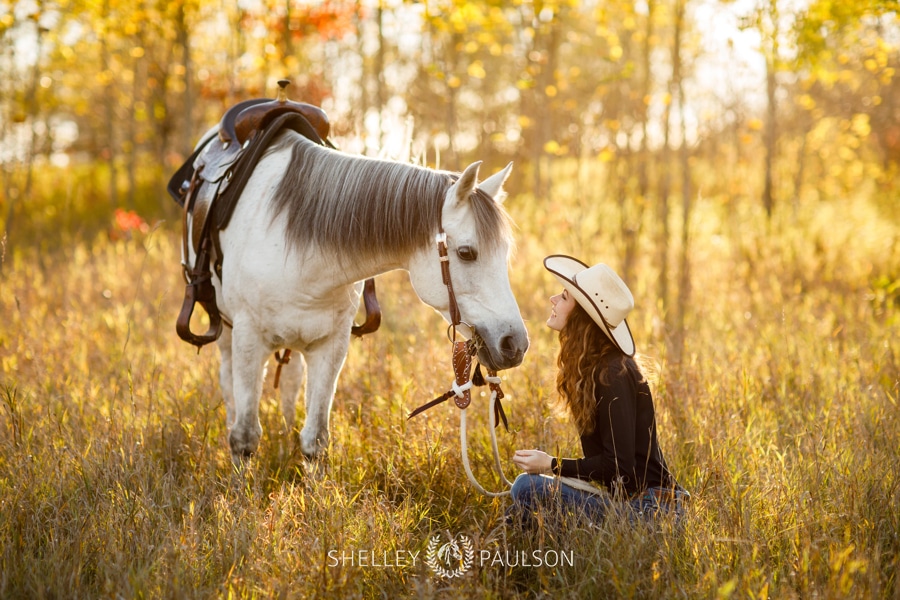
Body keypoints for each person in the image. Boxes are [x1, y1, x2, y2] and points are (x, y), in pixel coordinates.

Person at [509, 255, 688, 525]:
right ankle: (527, 554)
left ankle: (529, 556)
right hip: (632, 503)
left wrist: (551, 465)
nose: (553, 299)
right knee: (526, 495)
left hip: (655, 509)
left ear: (582, 317)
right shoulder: (594, 370)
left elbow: (619, 470)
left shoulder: (614, 373)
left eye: (565, 297)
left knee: (527, 487)